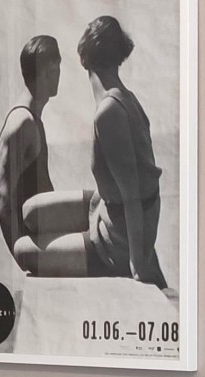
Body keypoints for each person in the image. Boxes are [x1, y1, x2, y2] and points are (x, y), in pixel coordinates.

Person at [13, 15, 166, 286]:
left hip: (118, 238)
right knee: (30, 211)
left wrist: (138, 263)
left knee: (23, 250)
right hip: (106, 207)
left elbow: (132, 195)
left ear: (86, 55)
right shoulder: (124, 97)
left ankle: (114, 257)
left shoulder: (110, 113)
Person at [0, 34, 60, 254]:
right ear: (44, 72)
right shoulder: (23, 123)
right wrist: (23, 255)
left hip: (45, 239)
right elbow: (1, 199)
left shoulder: (31, 119)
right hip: (38, 246)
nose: (58, 76)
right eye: (54, 69)